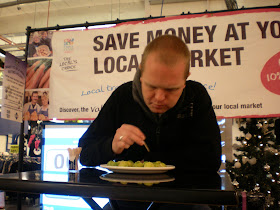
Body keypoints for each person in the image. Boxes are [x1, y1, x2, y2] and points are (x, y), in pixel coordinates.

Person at [79, 34, 221, 209]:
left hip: (184, 204)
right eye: (151, 86)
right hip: (127, 205)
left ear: (185, 80)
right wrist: (113, 145)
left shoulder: (196, 97)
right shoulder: (123, 96)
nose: (159, 98)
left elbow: (211, 161)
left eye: (171, 89)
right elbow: (85, 154)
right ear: (141, 73)